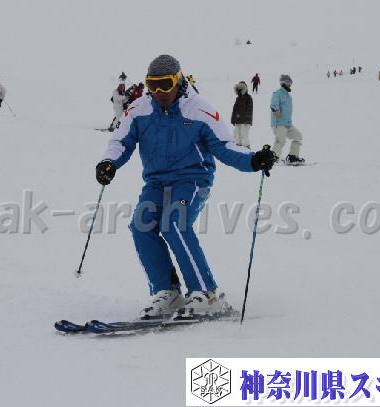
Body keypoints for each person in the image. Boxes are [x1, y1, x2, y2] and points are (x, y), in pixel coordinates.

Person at [95, 54, 276, 320]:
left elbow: (224, 147)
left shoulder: (199, 110)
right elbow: (120, 142)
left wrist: (253, 160)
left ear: (179, 81)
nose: (159, 92)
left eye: (165, 84)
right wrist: (108, 163)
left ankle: (206, 293)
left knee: (174, 223)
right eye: (152, 85)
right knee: (141, 225)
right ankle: (167, 291)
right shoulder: (139, 110)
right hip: (156, 181)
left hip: (192, 179)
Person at [270, 74, 304, 164]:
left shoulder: (288, 96)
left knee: (298, 136)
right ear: (283, 83)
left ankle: (292, 156)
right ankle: (273, 157)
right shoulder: (277, 93)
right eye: (288, 82)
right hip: (279, 123)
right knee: (280, 140)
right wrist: (276, 110)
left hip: (288, 123)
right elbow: (273, 103)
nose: (290, 84)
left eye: (290, 83)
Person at [231, 81, 253, 148]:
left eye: (241, 88)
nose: (240, 90)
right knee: (237, 135)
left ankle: (246, 147)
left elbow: (250, 109)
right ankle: (239, 148)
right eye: (239, 88)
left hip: (245, 121)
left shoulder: (248, 98)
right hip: (238, 120)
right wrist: (233, 119)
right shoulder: (238, 98)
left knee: (244, 135)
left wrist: (247, 119)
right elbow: (235, 110)